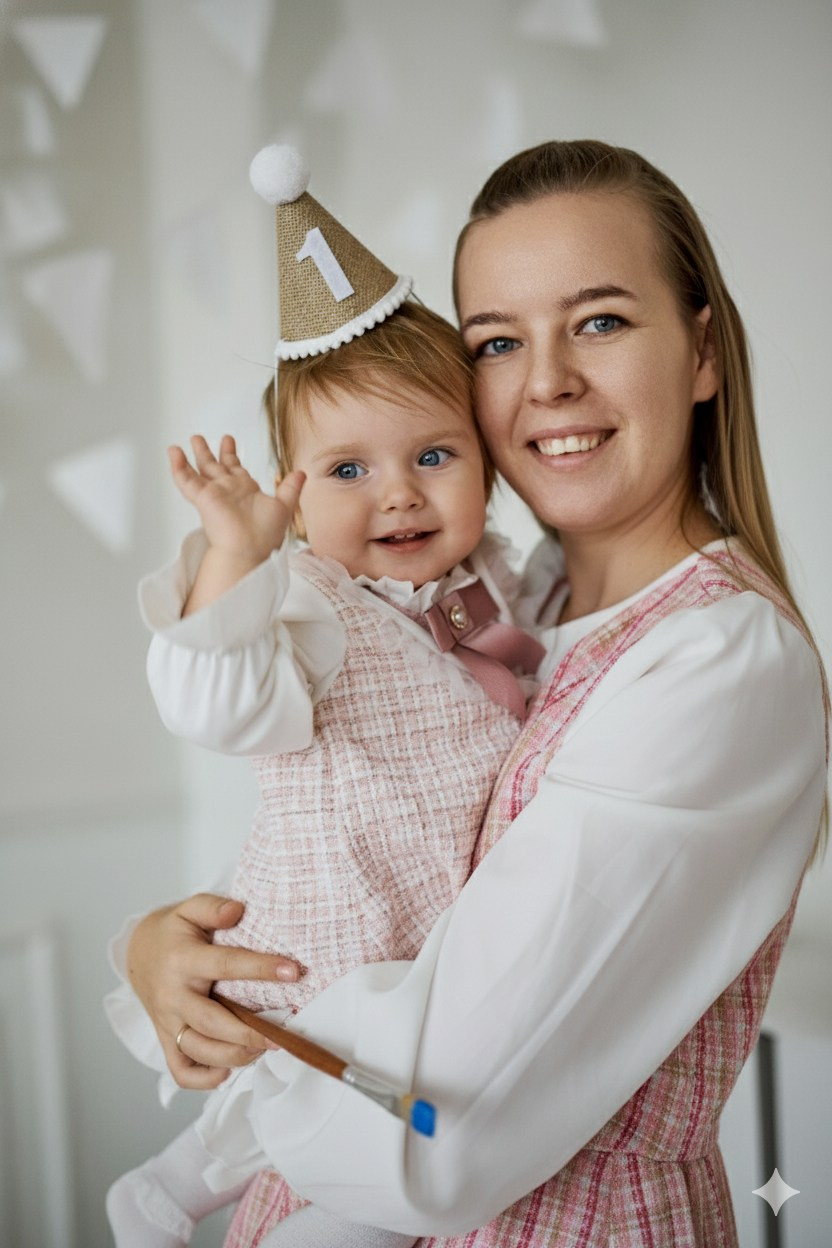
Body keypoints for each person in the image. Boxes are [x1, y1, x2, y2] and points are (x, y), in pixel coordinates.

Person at [111, 140, 828, 1248]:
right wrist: (166, 955)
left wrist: (259, 1047)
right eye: (498, 341)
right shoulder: (507, 603)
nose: (546, 382)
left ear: (699, 351)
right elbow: (360, 826)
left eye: (599, 321)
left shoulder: (717, 662)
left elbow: (431, 1134)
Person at [105, 146, 543, 1248]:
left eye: (433, 455)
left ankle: (163, 1192)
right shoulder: (307, 605)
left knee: (305, 1111)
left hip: (425, 936)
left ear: (486, 463)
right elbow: (216, 704)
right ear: (292, 498)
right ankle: (165, 1193)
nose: (398, 495)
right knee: (326, 1135)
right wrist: (234, 566)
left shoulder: (498, 581)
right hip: (336, 930)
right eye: (347, 470)